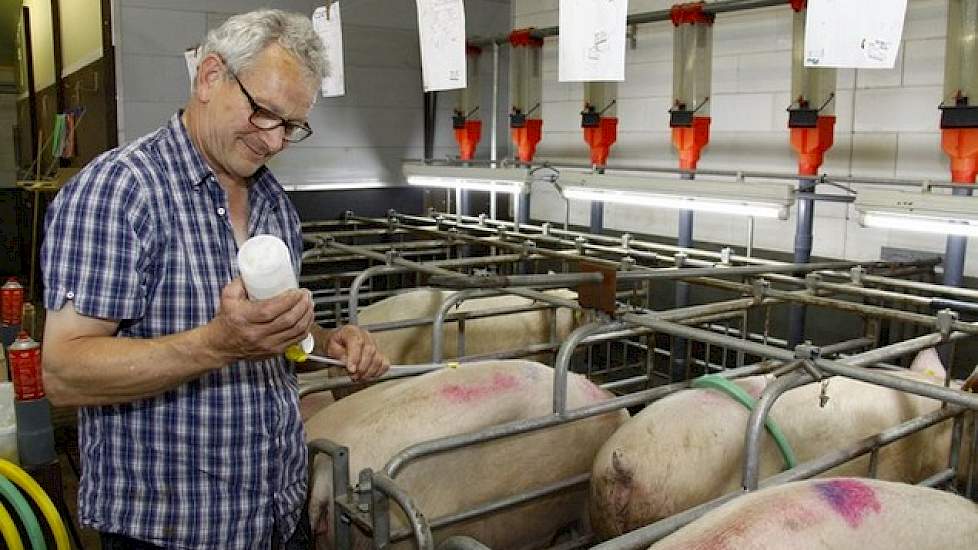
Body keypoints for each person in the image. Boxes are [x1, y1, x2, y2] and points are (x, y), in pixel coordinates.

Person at [40, 9, 389, 549]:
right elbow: (64, 372)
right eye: (266, 113)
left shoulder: (273, 202)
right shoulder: (120, 192)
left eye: (292, 126)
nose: (275, 142)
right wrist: (215, 345)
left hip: (277, 515)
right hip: (173, 530)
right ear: (209, 78)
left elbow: (278, 338)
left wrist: (326, 340)